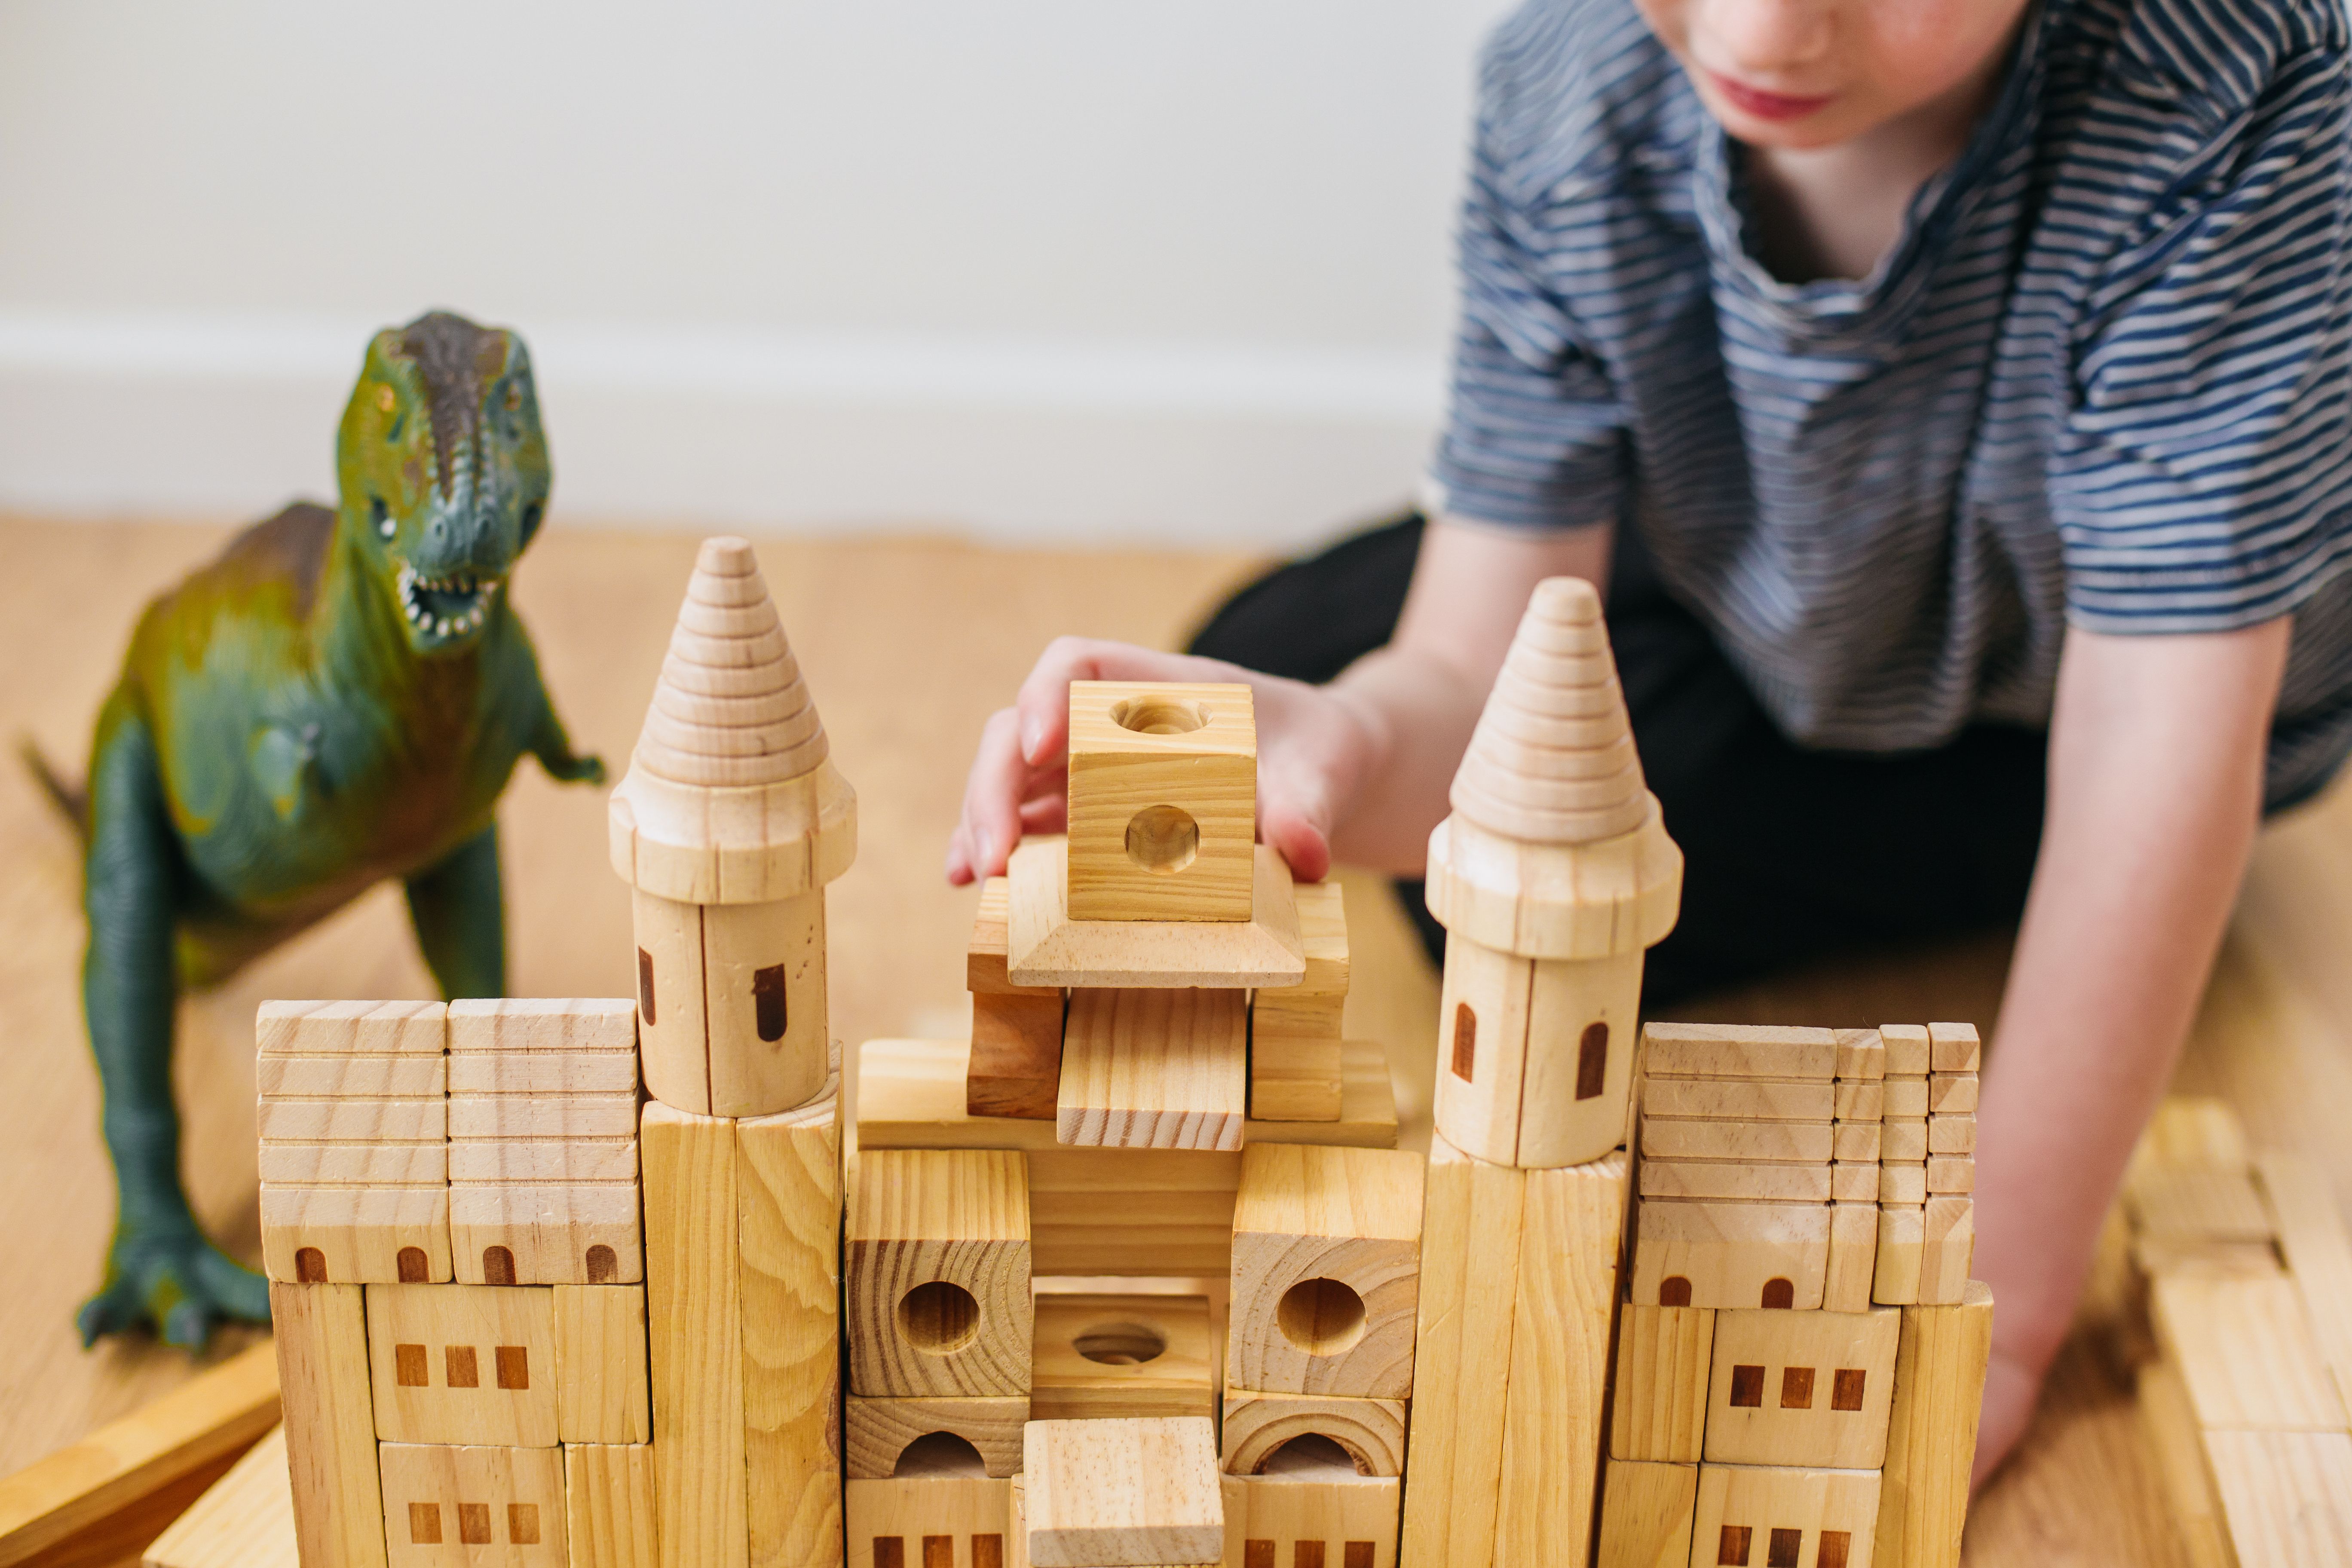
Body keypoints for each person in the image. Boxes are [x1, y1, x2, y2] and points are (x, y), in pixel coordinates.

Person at [947, 0, 2352, 1480]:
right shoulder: (1569, 85)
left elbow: (2160, 735)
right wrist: (1344, 748)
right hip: (1769, 597)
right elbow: (1465, 665)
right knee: (1293, 659)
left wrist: (1988, 1312)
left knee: (1562, 879)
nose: (1764, 29)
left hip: (2072, 704)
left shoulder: (2240, 89)